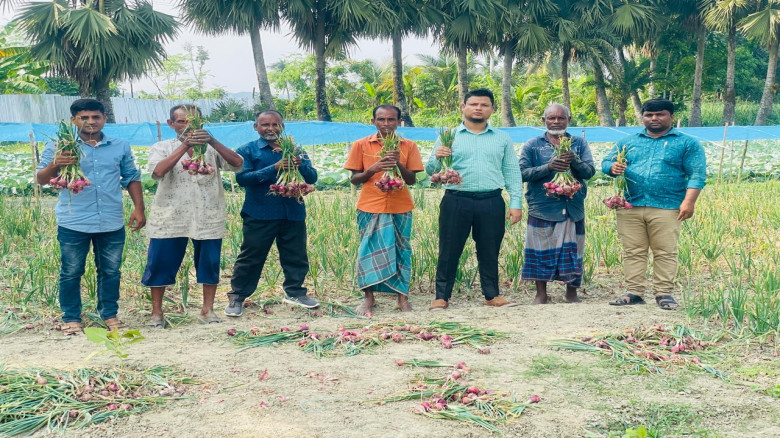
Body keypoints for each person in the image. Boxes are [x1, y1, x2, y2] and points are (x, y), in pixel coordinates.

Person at [36, 98, 145, 335]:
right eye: (84, 117)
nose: (90, 122)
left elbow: (131, 176)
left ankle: (109, 314)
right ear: (73, 120)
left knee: (111, 270)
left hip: (111, 220)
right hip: (74, 220)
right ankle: (72, 317)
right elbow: (41, 179)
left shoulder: (120, 145)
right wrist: (56, 163)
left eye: (96, 117)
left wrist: (139, 208)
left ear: (104, 119)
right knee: (72, 271)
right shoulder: (60, 145)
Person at [141, 105, 243, 328]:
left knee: (209, 263)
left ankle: (207, 310)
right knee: (159, 264)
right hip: (170, 216)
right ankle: (157, 312)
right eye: (181, 122)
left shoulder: (211, 149)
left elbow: (238, 164)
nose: (187, 126)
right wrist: (185, 145)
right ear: (171, 124)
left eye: (193, 122)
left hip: (207, 215)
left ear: (202, 124)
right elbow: (157, 172)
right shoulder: (162, 147)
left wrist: (213, 142)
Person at [603, 98, 706, 310]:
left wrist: (689, 202)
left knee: (665, 251)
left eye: (660, 114)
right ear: (643, 117)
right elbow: (606, 162)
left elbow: (697, 174)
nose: (654, 118)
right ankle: (634, 292)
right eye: (649, 115)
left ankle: (664, 293)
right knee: (633, 251)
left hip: (667, 206)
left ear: (671, 117)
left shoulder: (686, 143)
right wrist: (611, 167)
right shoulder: (629, 141)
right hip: (630, 205)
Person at [425, 88, 523, 311]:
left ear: (492, 109)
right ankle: (442, 296)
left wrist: (516, 203)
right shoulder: (448, 136)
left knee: (490, 248)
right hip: (456, 199)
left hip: (491, 200)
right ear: (463, 107)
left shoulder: (501, 138)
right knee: (449, 248)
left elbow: (511, 172)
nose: (478, 108)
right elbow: (431, 170)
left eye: (484, 105)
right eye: (474, 104)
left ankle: (492, 295)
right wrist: (437, 158)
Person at [224, 110, 319, 316]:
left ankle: (295, 292)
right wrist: (274, 167)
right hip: (260, 212)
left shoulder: (296, 150)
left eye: (275, 125)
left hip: (292, 210)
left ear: (282, 127)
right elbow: (243, 179)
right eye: (265, 125)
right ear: (256, 127)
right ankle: (237, 296)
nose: (271, 129)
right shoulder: (247, 150)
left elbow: (311, 179)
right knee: (251, 256)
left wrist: (300, 164)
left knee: (296, 255)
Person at [344, 104, 424, 315]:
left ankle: (402, 298)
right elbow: (354, 179)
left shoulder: (408, 146)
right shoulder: (361, 145)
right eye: (381, 119)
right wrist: (373, 168)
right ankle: (368, 298)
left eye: (391, 120)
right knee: (367, 251)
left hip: (401, 206)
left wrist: (399, 164)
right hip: (370, 206)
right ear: (373, 122)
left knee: (402, 251)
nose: (386, 124)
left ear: (399, 122)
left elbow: (412, 180)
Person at [519, 104, 595, 304]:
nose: (556, 122)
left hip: (572, 206)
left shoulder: (579, 144)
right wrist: (548, 167)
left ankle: (572, 292)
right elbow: (522, 173)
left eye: (561, 118)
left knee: (573, 250)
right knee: (539, 249)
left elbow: (589, 172)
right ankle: (541, 293)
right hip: (542, 206)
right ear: (543, 120)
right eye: (551, 118)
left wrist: (575, 161)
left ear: (569, 120)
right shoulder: (532, 145)